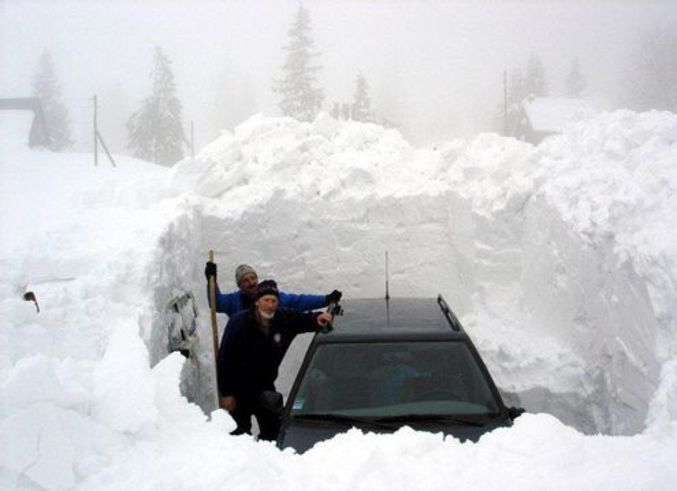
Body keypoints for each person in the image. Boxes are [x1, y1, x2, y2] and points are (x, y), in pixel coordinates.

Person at [217, 279, 334, 440]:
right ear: (257, 302)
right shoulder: (238, 323)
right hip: (239, 390)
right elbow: (225, 359)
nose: (270, 305)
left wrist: (317, 318)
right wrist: (226, 393)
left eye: (274, 301)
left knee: (273, 431)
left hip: (265, 387)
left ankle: (266, 459)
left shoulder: (283, 319)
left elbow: (303, 320)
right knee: (239, 433)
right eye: (266, 300)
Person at [205, 261, 341, 316]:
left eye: (253, 278)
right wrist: (212, 280)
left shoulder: (269, 297)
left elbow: (298, 301)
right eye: (245, 280)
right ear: (240, 286)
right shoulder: (234, 301)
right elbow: (216, 303)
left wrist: (326, 299)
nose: (251, 282)